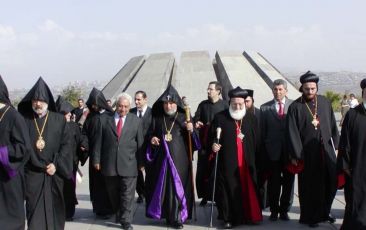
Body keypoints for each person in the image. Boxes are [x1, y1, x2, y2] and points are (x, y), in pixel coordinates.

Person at [18, 77, 73, 230]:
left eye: (41, 100)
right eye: (35, 100)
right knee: (34, 214)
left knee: (54, 210)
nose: (38, 103)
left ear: (47, 101)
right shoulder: (25, 120)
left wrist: (56, 164)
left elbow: (67, 146)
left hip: (54, 173)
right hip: (33, 174)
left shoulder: (59, 120)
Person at [286, 71, 339, 228]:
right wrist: (296, 154)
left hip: (326, 150)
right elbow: (292, 132)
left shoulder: (324, 102)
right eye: (307, 89)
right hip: (307, 154)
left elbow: (333, 125)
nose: (310, 92)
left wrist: (336, 144)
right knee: (310, 186)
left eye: (313, 89)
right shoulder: (295, 107)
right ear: (302, 87)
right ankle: (310, 217)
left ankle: (324, 212)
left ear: (317, 88)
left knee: (330, 182)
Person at [145, 85, 200, 229]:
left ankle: (177, 217)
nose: (168, 106)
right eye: (166, 103)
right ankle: (167, 215)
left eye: (171, 103)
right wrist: (152, 139)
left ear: (176, 103)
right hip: (162, 160)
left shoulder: (184, 117)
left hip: (180, 159)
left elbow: (195, 142)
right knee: (165, 188)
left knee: (178, 187)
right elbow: (150, 134)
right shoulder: (157, 118)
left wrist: (192, 130)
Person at [211, 86, 262, 229]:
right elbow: (211, 138)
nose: (238, 106)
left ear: (245, 103)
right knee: (228, 189)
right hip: (228, 162)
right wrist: (213, 145)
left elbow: (257, 141)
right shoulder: (220, 117)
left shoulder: (251, 118)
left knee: (248, 187)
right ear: (230, 103)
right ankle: (228, 218)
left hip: (247, 162)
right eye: (234, 104)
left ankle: (249, 215)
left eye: (240, 104)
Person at [93, 93, 144, 230]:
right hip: (109, 164)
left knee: (127, 194)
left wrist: (141, 162)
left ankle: (126, 221)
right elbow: (98, 142)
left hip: (129, 163)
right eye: (120, 106)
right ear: (116, 106)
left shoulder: (136, 121)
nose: (123, 109)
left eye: (126, 106)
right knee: (113, 193)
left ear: (130, 107)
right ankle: (118, 211)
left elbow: (140, 143)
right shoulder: (104, 120)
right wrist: (96, 160)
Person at [260, 79, 294, 221]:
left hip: (289, 152)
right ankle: (274, 210)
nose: (278, 92)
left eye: (280, 89)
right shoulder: (264, 108)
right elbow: (262, 131)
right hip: (272, 152)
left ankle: (284, 210)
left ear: (286, 90)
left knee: (288, 183)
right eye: (275, 89)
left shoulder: (294, 105)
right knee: (273, 184)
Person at [0, 76, 31, 230]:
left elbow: (24, 147)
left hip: (9, 176)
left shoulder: (13, 116)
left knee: (10, 220)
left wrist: (2, 153)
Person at [337, 79, 366, 229]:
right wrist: (345, 165)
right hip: (357, 168)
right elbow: (344, 142)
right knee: (356, 201)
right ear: (363, 93)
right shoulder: (353, 115)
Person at [193, 81, 228, 206]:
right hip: (205, 144)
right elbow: (196, 119)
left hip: (218, 144)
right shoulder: (203, 105)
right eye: (208, 89)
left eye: (211, 89)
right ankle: (204, 196)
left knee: (217, 171)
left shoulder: (225, 105)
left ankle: (217, 196)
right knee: (203, 171)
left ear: (218, 91)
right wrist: (197, 123)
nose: (208, 91)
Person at [55, 96, 88, 221]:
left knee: (69, 189)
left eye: (69, 113)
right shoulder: (54, 126)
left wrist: (84, 145)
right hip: (57, 163)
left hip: (71, 163)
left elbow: (81, 139)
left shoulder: (74, 126)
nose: (69, 115)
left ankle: (69, 213)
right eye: (66, 113)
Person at [83, 88, 114, 218]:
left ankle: (110, 207)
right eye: (93, 104)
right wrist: (84, 144)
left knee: (109, 183)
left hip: (108, 155)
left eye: (96, 104)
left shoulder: (110, 116)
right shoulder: (91, 117)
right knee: (97, 184)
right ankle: (99, 208)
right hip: (94, 155)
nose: (94, 106)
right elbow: (84, 133)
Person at [130, 90, 152, 204]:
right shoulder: (131, 112)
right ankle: (141, 193)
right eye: (135, 99)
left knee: (149, 172)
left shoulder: (152, 113)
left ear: (145, 99)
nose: (136, 102)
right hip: (134, 149)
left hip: (148, 148)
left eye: (139, 99)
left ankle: (149, 193)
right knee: (137, 173)